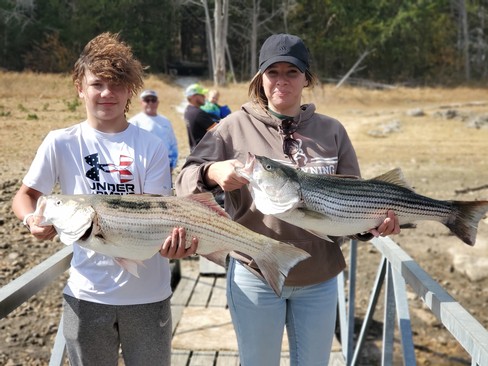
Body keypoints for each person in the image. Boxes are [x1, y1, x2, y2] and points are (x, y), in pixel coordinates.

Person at [175, 33, 400, 366]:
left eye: (291, 72)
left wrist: (371, 226)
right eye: (273, 72)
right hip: (255, 274)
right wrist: (212, 172)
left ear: (306, 78)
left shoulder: (332, 131)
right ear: (260, 79)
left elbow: (352, 201)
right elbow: (182, 180)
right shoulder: (231, 127)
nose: (282, 80)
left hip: (319, 277)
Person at [12, 32, 197, 366]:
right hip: (86, 295)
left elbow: (156, 215)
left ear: (130, 90)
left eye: (117, 84)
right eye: (97, 84)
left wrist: (176, 244)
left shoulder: (151, 145)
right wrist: (31, 220)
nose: (107, 93)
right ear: (80, 88)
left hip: (148, 295)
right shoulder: (60, 142)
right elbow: (26, 196)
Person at [129, 89, 179, 172]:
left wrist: (172, 164)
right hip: (144, 168)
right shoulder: (134, 122)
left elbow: (173, 143)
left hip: (165, 167)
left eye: (153, 100)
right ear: (141, 103)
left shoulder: (165, 121)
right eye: (147, 100)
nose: (150, 103)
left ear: (158, 102)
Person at [183, 83, 216, 151]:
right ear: (193, 96)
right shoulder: (198, 113)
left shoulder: (188, 110)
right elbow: (217, 130)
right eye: (202, 95)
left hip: (195, 152)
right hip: (204, 154)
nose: (204, 97)